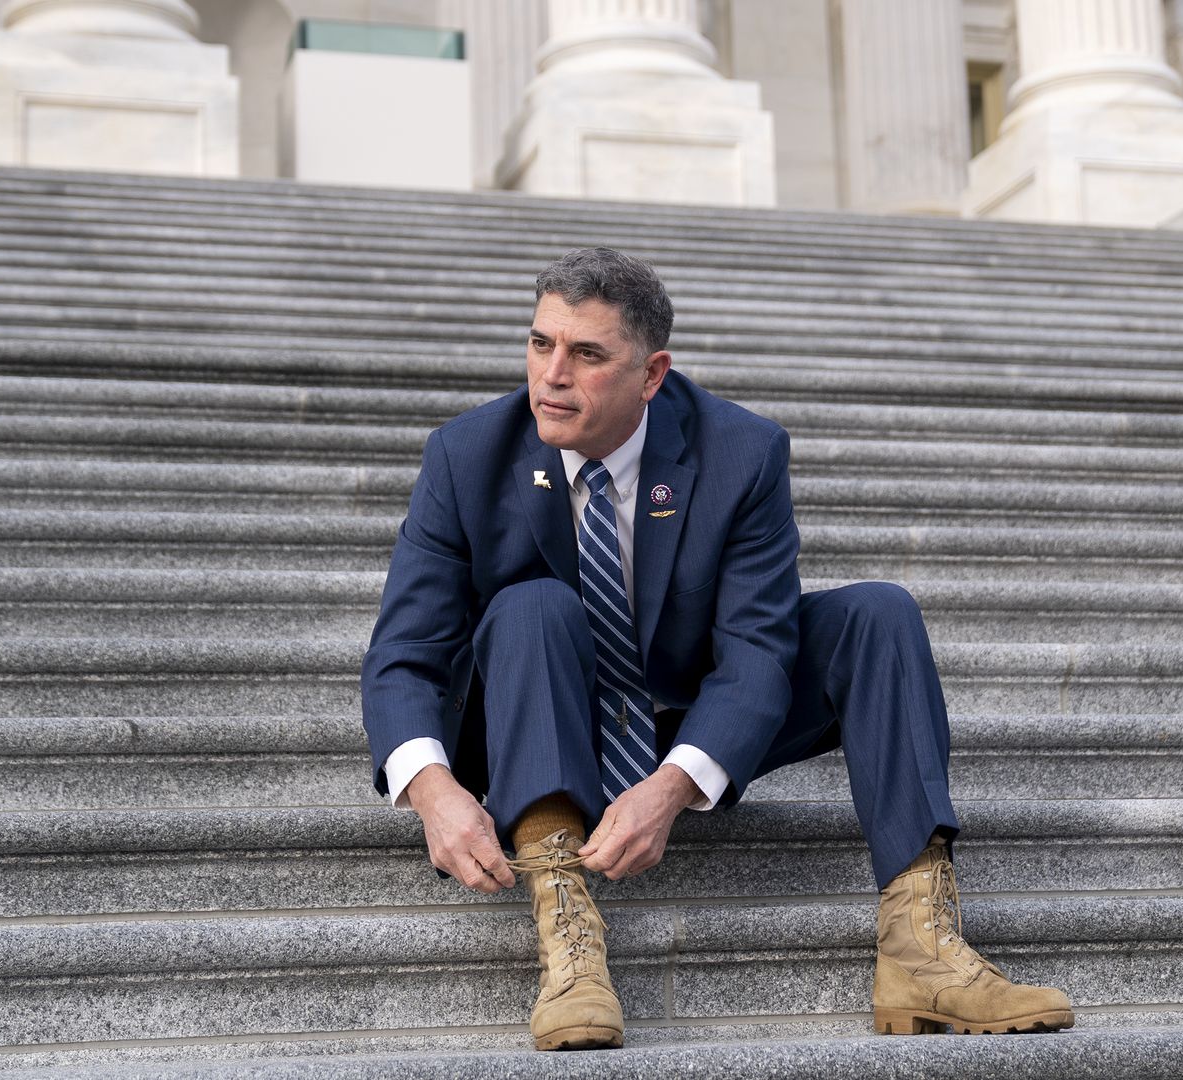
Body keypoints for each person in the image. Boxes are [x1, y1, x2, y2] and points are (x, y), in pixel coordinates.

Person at [360, 247, 1073, 1050]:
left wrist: (670, 790)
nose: (552, 376)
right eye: (539, 343)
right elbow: (403, 655)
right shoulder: (466, 455)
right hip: (531, 718)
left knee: (879, 614)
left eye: (587, 354)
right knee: (532, 603)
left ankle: (922, 951)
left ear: (652, 374)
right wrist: (434, 793)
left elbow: (758, 652)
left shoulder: (741, 452)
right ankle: (568, 944)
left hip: (682, 719)